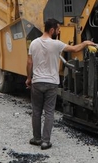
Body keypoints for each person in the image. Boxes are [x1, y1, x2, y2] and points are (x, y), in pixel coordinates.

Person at [26, 18, 93, 150]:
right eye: (58, 30)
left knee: (36, 111)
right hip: (51, 83)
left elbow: (29, 63)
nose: (59, 31)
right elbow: (74, 49)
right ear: (52, 30)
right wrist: (85, 43)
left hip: (37, 82)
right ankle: (46, 141)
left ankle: (36, 138)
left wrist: (29, 78)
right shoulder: (56, 44)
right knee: (49, 112)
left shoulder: (33, 43)